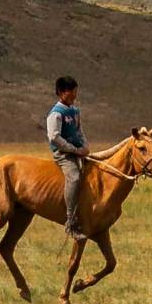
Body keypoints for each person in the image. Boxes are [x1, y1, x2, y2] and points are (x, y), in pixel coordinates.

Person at [46, 75, 88, 240]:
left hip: (78, 150)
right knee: (75, 178)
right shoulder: (55, 114)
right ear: (62, 92)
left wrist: (85, 146)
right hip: (63, 154)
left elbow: (79, 130)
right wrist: (74, 150)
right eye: (72, 92)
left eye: (76, 92)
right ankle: (70, 221)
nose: (75, 96)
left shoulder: (74, 111)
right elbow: (54, 137)